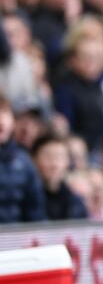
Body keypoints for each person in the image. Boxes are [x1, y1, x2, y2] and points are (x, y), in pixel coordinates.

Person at [0, 93, 47, 223]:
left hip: (15, 239)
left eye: (4, 112)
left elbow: (35, 211)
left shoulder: (24, 161)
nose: (1, 119)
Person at [31, 133, 88, 220]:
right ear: (34, 160)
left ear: (67, 162)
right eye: (48, 157)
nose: (55, 164)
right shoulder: (25, 200)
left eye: (59, 157)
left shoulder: (75, 203)